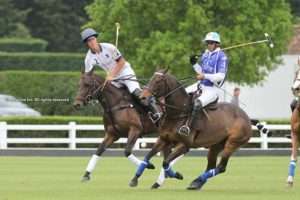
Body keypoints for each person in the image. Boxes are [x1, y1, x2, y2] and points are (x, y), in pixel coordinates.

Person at [80, 28, 161, 122]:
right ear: (87, 44)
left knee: (135, 92)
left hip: (125, 72)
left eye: (93, 39)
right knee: (108, 95)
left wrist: (112, 75)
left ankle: (155, 112)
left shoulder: (109, 47)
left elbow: (121, 62)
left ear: (96, 39)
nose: (92, 42)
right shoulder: (88, 59)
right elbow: (88, 76)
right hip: (113, 78)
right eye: (89, 41)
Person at [180, 32, 228, 134]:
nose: (208, 45)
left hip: (213, 89)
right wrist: (194, 64)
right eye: (207, 43)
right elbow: (201, 71)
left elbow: (220, 76)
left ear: (216, 44)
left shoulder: (222, 57)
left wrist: (205, 76)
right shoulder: (205, 55)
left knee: (197, 104)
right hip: (201, 85)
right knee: (181, 94)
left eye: (210, 43)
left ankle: (188, 127)